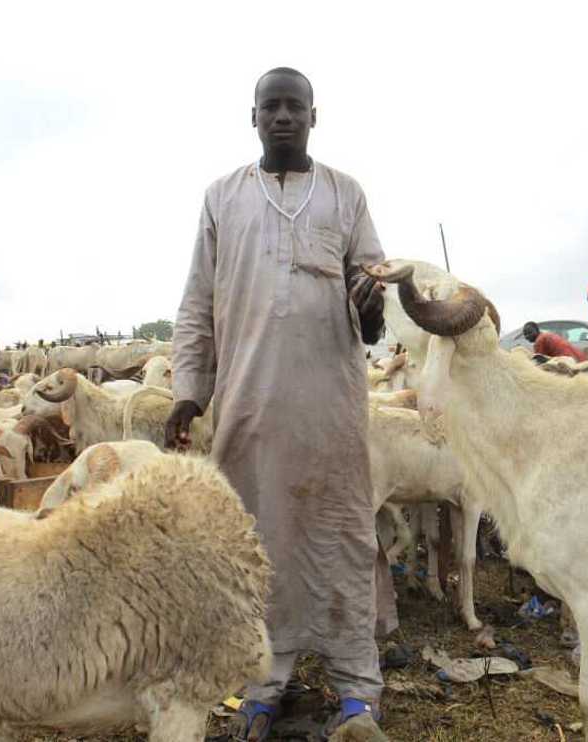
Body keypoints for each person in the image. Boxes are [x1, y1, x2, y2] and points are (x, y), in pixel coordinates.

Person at [168, 67, 392, 741]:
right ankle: (262, 682)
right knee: (257, 545)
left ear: (314, 118)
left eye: (296, 107)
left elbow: (375, 298)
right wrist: (187, 390)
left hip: (331, 412)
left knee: (344, 539)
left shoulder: (345, 195)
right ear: (255, 117)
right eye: (273, 107)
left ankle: (357, 688)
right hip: (248, 410)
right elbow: (197, 306)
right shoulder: (222, 198)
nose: (284, 117)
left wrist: (372, 305)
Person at [522, 322, 587, 361]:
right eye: (525, 334)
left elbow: (538, 363)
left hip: (570, 364)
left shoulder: (539, 340)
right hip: (581, 360)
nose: (527, 336)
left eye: (530, 332)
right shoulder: (547, 335)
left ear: (537, 330)